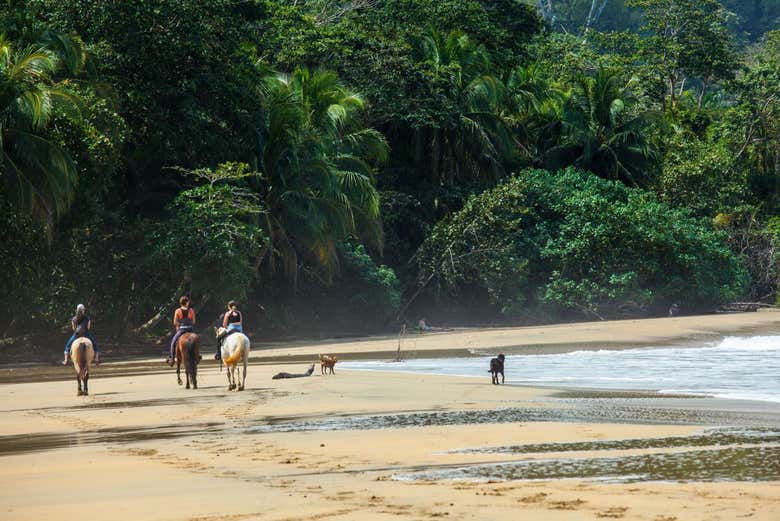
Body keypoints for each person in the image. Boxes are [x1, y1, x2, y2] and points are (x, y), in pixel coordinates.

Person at [167, 296, 196, 366]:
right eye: (188, 301)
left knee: (173, 342)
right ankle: (197, 356)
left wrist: (180, 324)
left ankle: (172, 358)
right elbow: (194, 321)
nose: (189, 303)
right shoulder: (191, 310)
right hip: (190, 329)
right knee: (196, 340)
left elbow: (175, 322)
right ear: (186, 302)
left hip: (182, 329)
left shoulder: (177, 311)